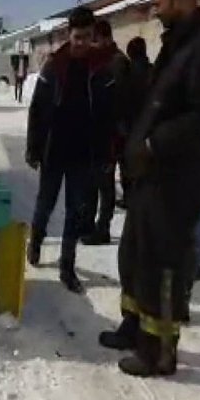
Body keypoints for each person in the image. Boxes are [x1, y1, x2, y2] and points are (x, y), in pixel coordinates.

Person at [98, 0, 200, 377]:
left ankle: (159, 350)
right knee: (136, 255)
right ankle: (133, 327)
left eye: (159, 2)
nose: (154, 10)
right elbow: (160, 103)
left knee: (163, 264)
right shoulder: (176, 45)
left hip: (177, 178)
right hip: (151, 177)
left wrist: (155, 144)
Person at [25, 6, 113, 294]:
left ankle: (67, 266)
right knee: (45, 204)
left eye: (87, 37)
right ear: (69, 34)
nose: (81, 43)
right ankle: (35, 242)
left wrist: (105, 154)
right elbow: (37, 110)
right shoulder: (54, 65)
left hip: (83, 153)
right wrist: (33, 147)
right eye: (77, 37)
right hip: (54, 150)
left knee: (76, 211)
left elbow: (107, 115)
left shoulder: (100, 68)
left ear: (93, 36)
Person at [81, 20, 131, 245]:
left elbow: (119, 103)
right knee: (91, 181)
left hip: (110, 134)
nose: (92, 44)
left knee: (105, 183)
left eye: (94, 39)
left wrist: (116, 135)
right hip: (93, 131)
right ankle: (88, 223)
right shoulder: (98, 61)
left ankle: (103, 228)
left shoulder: (117, 62)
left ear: (105, 38)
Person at [117, 37, 152, 208]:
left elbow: (122, 101)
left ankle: (130, 198)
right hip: (149, 128)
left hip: (131, 128)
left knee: (128, 167)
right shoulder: (154, 71)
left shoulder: (127, 73)